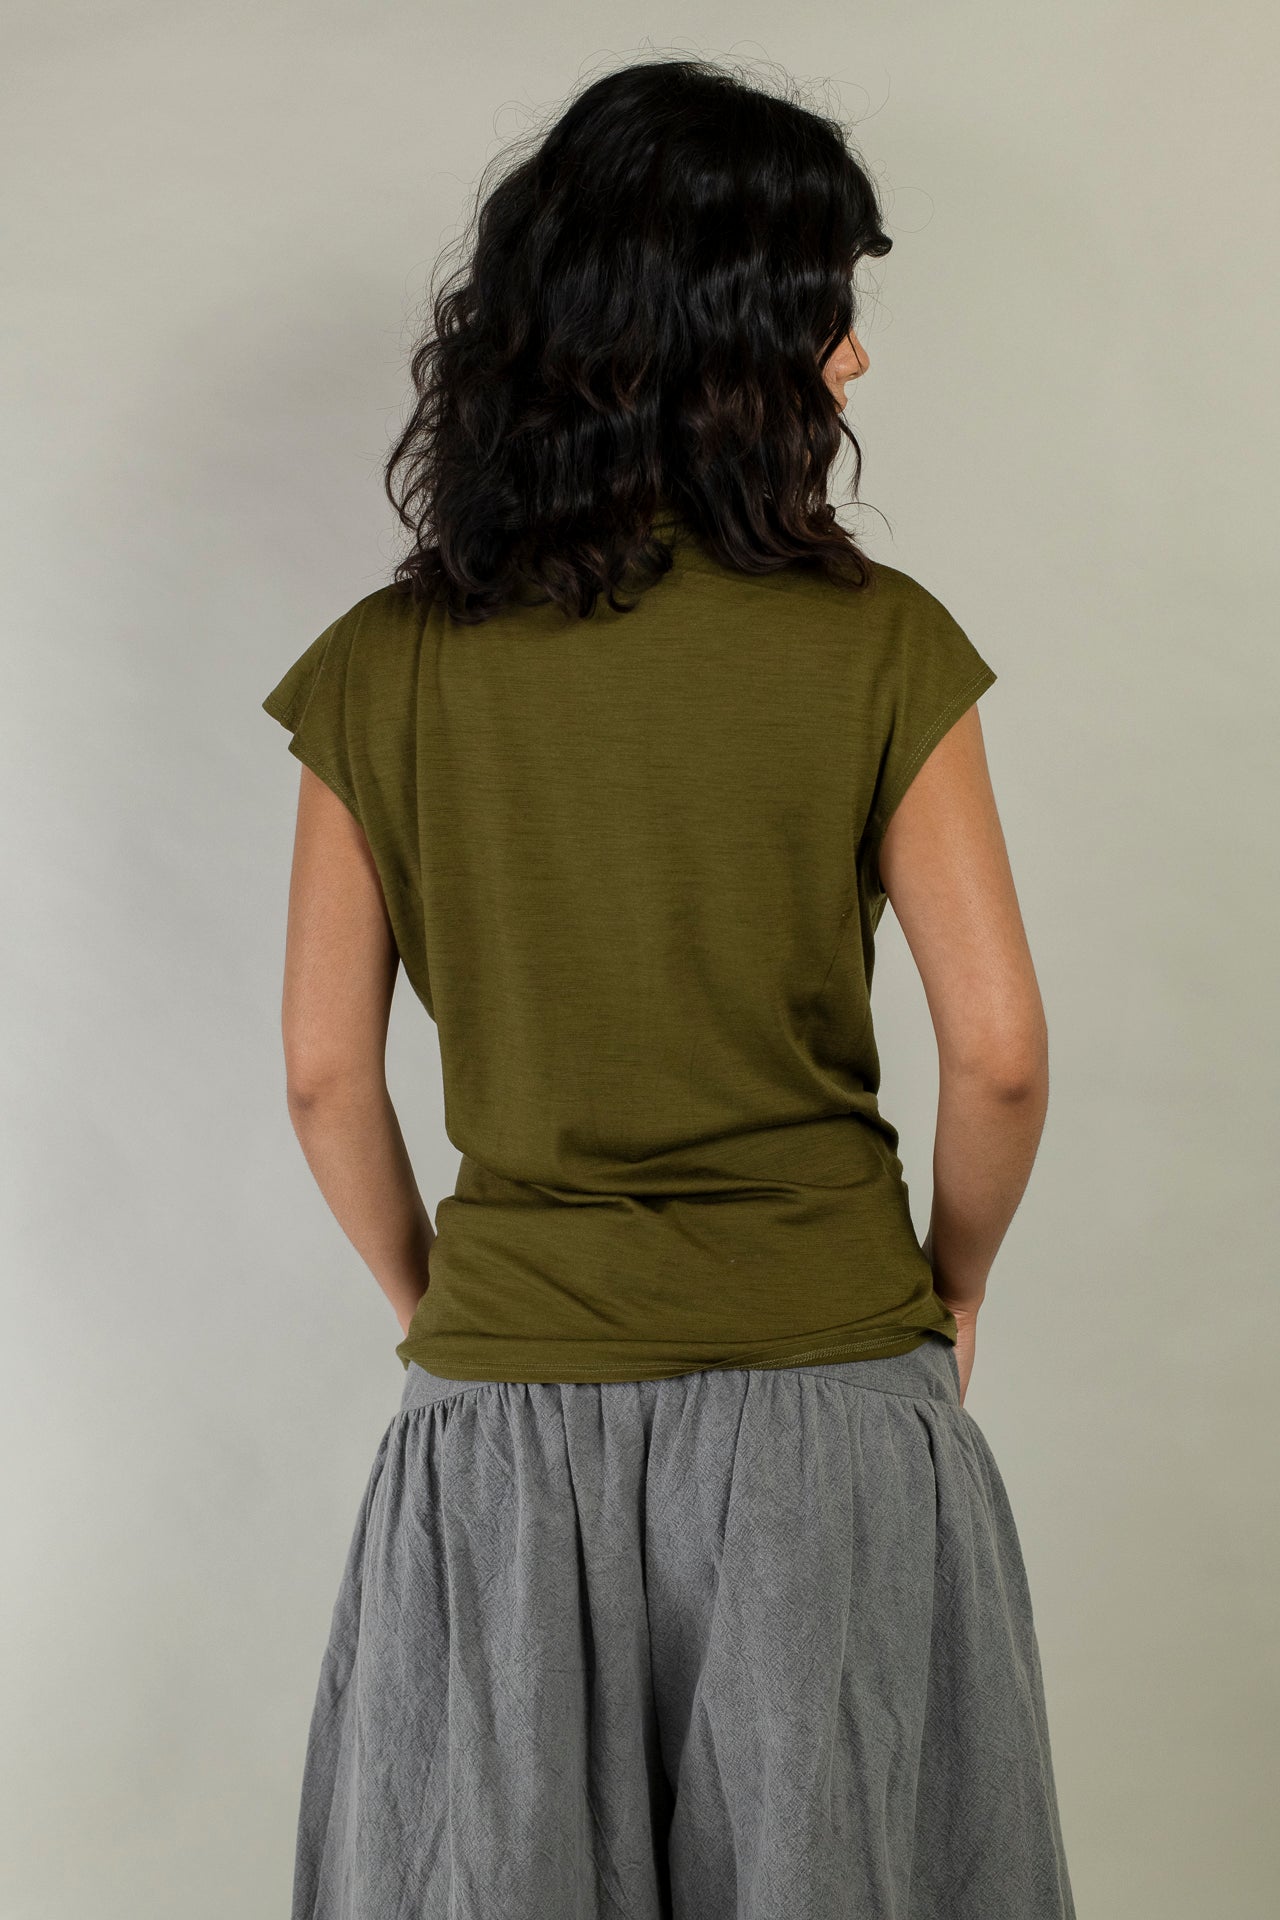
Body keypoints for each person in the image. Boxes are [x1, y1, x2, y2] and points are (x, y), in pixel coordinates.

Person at [261, 56, 1077, 1920]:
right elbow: (1002, 1055)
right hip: (827, 1397)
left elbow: (323, 1073)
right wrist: (954, 1286)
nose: (852, 357)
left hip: (503, 1418)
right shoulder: (882, 644)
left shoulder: (380, 666)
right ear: (721, 344)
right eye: (821, 311)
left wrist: (443, 1307)